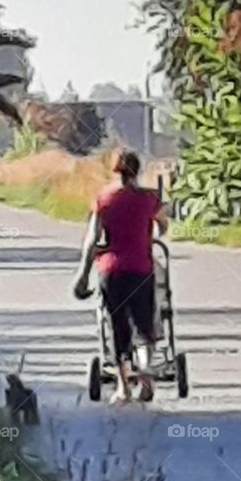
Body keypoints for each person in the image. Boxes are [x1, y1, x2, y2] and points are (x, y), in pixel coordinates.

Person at [73, 149, 167, 404]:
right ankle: (146, 369)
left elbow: (92, 239)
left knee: (117, 326)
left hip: (111, 269)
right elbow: (163, 225)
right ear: (138, 170)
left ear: (114, 170)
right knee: (143, 322)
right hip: (141, 268)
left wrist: (82, 276)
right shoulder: (149, 199)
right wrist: (151, 231)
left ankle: (123, 387)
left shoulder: (104, 200)